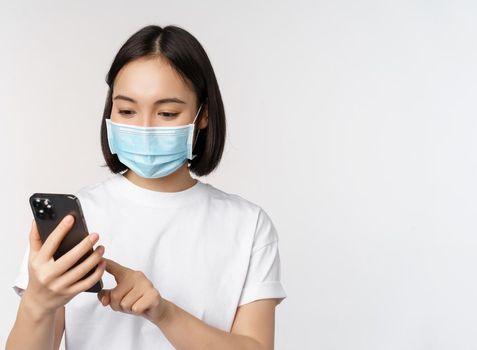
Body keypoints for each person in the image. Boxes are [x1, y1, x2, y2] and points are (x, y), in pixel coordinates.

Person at [6, 25, 287, 350]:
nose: (145, 127)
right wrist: (38, 303)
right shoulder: (73, 221)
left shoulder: (247, 225)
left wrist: (163, 313)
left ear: (204, 115)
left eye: (167, 112)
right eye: (126, 110)